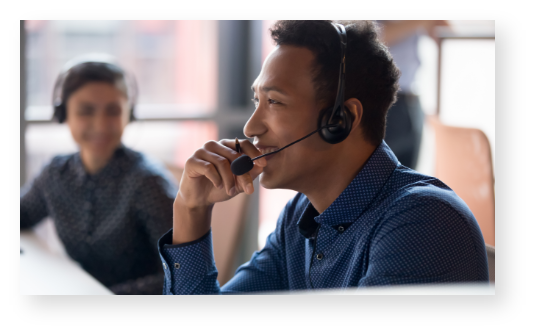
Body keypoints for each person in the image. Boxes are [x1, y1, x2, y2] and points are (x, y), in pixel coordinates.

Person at [158, 20, 488, 295]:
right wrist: (191, 209)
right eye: (256, 100)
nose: (251, 126)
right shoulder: (301, 217)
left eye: (274, 102)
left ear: (339, 120)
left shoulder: (422, 223)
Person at [20, 58, 177, 295]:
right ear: (64, 114)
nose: (101, 125)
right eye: (86, 111)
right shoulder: (55, 174)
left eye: (113, 111)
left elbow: (179, 274)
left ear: (129, 114)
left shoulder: (148, 183)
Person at [379, 20, 449, 169]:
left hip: (411, 100)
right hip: (382, 102)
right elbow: (372, 36)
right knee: (376, 177)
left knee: (410, 179)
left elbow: (446, 34)